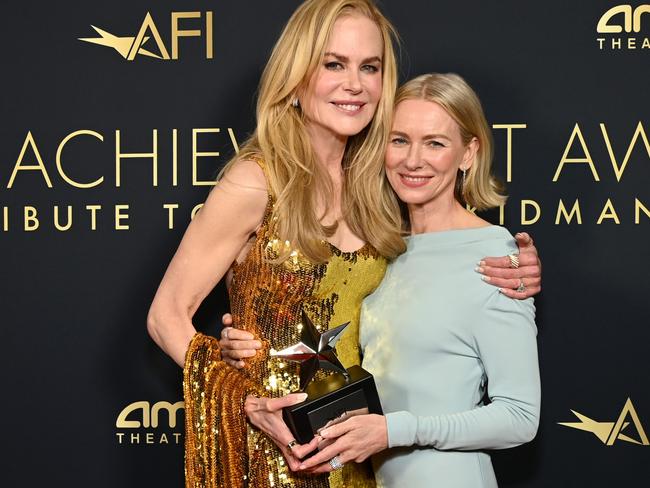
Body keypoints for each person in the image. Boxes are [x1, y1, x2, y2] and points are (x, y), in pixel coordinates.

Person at [147, 0, 541, 486]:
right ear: (297, 76)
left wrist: (517, 266)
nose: (354, 84)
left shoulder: (380, 183)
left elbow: (438, 261)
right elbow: (166, 316)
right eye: (334, 64)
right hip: (277, 451)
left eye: (369, 67)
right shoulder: (256, 182)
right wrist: (245, 397)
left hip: (360, 455)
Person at [292, 73, 541, 487]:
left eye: (436, 143)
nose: (413, 160)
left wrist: (395, 430)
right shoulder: (380, 249)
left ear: (468, 153)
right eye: (399, 139)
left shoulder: (495, 258)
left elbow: (520, 417)